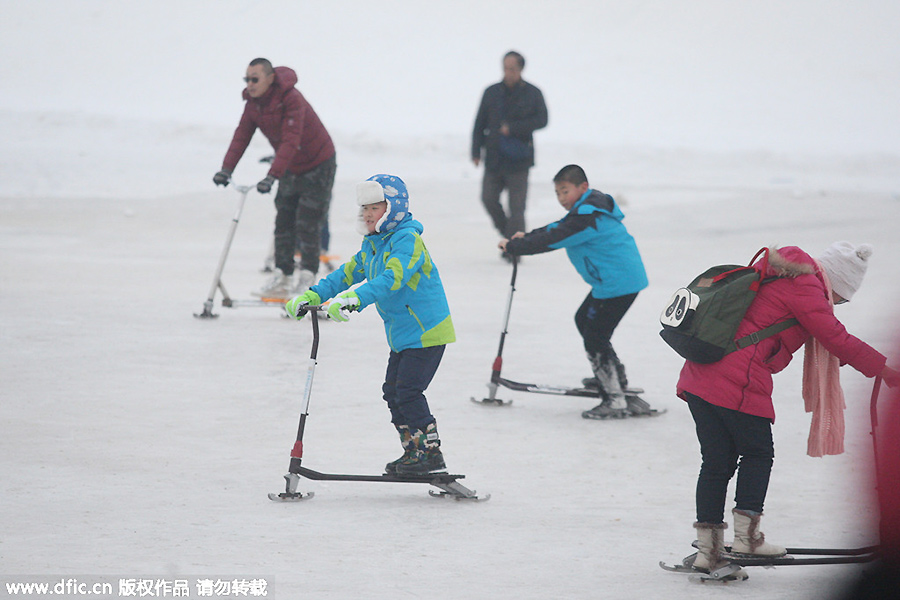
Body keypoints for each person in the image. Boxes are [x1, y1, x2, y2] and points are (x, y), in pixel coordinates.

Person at [676, 242, 900, 577]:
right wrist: (883, 368)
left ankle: (709, 551)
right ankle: (747, 539)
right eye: (841, 298)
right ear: (835, 285)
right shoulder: (807, 288)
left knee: (717, 460)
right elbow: (834, 337)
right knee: (757, 453)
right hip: (737, 379)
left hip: (701, 372)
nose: (837, 305)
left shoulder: (783, 277)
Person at [285, 174, 456, 476]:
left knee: (409, 392)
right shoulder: (373, 244)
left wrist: (355, 299)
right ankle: (412, 451)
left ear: (393, 208)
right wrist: (313, 294)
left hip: (427, 331)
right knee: (392, 391)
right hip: (403, 335)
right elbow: (347, 273)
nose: (366, 215)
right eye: (363, 209)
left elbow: (392, 278)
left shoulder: (407, 241)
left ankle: (431, 454)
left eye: (374, 208)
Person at [499, 164, 650, 419]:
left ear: (583, 188)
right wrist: (527, 236)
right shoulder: (587, 211)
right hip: (615, 282)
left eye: (565, 191)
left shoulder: (586, 218)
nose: (561, 199)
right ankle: (613, 378)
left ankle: (614, 397)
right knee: (585, 321)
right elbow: (557, 228)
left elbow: (554, 239)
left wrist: (518, 246)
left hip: (618, 284)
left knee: (595, 336)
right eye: (557, 193)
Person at [213, 58, 336, 299]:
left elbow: (292, 139)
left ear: (270, 78)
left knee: (308, 223)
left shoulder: (291, 99)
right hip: (290, 164)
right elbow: (241, 136)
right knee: (283, 221)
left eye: (255, 79)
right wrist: (226, 169)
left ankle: (308, 280)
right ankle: (283, 275)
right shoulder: (253, 104)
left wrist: (272, 176)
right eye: (247, 79)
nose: (250, 84)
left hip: (318, 163)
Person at [472, 50, 548, 257]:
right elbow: (479, 123)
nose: (508, 72)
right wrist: (475, 151)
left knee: (517, 209)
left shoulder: (533, 93)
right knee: (488, 198)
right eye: (505, 68)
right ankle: (510, 236)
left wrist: (514, 128)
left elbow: (543, 120)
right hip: (494, 158)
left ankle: (514, 251)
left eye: (512, 68)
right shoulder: (491, 92)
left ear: (521, 69)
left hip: (519, 160)